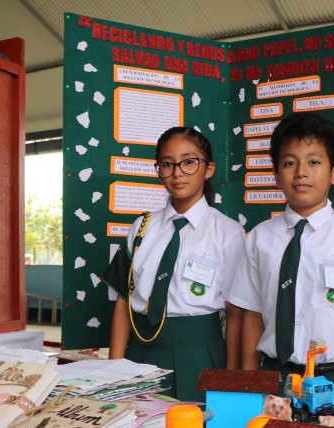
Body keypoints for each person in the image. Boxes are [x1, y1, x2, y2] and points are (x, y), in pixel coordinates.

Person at [230, 113, 334, 414]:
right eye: (289, 163)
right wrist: (249, 380)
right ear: (276, 173)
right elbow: (253, 315)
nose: (301, 173)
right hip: (277, 381)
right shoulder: (259, 239)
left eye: (313, 162)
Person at [104, 126, 246, 401]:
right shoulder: (141, 227)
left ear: (209, 169)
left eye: (189, 162)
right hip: (140, 354)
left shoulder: (228, 232)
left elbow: (236, 314)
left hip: (200, 353)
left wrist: (231, 379)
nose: (177, 172)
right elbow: (123, 301)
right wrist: (113, 372)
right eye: (167, 164)